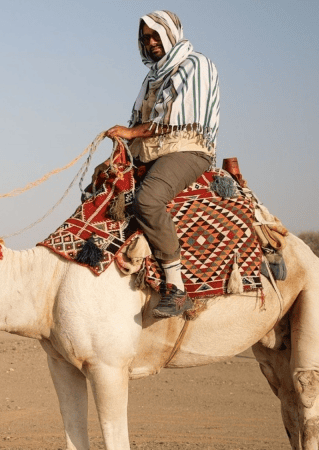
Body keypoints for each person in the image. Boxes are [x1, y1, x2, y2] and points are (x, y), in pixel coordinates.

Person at [105, 10, 220, 318]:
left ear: (171, 33)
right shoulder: (154, 75)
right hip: (149, 151)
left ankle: (175, 285)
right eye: (146, 38)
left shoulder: (195, 65)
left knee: (148, 200)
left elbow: (174, 119)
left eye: (156, 35)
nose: (151, 42)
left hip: (186, 149)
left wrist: (130, 132)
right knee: (103, 190)